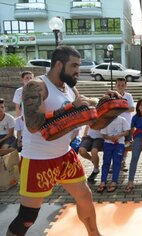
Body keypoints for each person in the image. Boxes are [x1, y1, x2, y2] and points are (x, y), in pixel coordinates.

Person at [6, 45, 103, 236]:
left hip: (65, 155)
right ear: (59, 64)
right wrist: (69, 109)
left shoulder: (69, 88)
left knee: (85, 196)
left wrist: (104, 101)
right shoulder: (35, 86)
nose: (78, 70)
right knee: (28, 217)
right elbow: (34, 124)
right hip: (38, 159)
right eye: (74, 65)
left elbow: (84, 104)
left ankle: (94, 234)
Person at [97, 115, 130, 193]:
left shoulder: (122, 119)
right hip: (108, 144)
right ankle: (103, 181)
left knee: (117, 163)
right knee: (106, 163)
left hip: (119, 144)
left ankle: (114, 181)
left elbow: (127, 132)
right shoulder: (106, 120)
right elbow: (104, 135)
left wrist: (118, 136)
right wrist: (110, 138)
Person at [115, 77, 135, 170]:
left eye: (122, 85)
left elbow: (132, 109)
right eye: (118, 85)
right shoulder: (112, 96)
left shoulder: (128, 96)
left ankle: (123, 161)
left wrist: (120, 108)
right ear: (116, 86)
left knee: (126, 143)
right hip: (115, 124)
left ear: (125, 86)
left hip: (127, 124)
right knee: (115, 143)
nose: (120, 87)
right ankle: (115, 162)